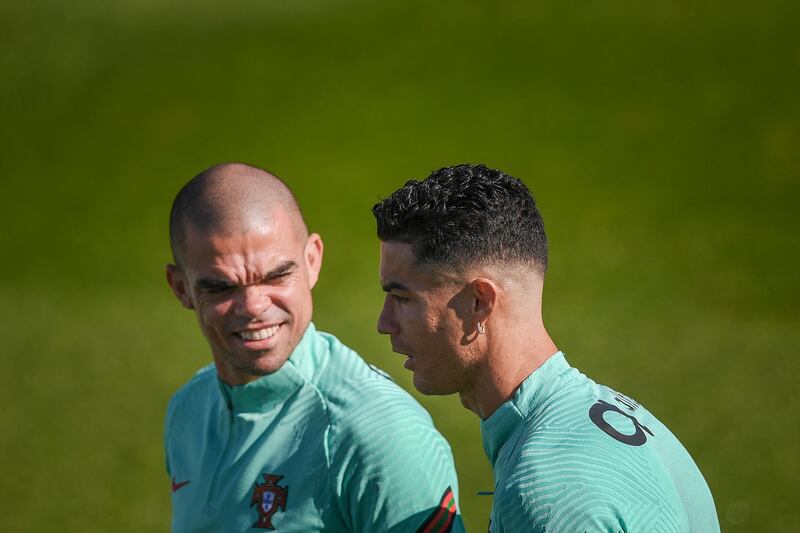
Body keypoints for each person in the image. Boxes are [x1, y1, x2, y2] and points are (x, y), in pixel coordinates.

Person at [372, 164, 720, 532]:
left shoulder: (545, 494)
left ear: (478, 302)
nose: (384, 324)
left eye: (402, 298)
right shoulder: (616, 417)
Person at [164, 162, 463, 532]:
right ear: (181, 288)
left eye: (276, 275)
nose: (255, 307)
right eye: (221, 287)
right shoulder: (187, 410)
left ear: (312, 261)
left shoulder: (384, 436)